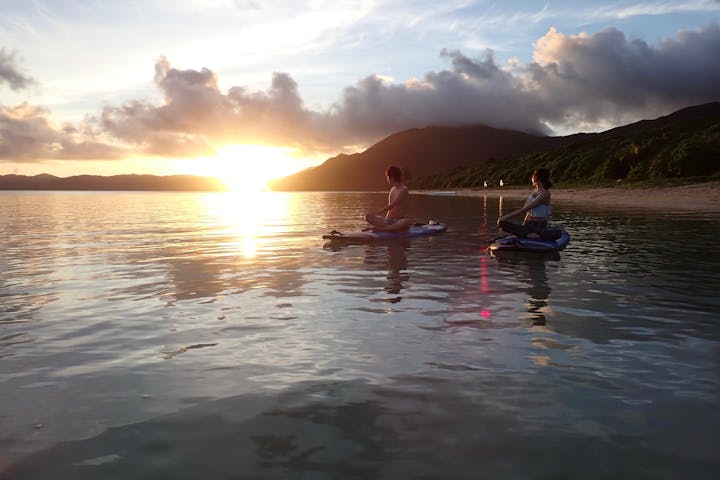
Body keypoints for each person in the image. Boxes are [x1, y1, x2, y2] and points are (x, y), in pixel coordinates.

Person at [497, 168, 553, 239]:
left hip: (539, 225)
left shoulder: (545, 193)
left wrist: (505, 217)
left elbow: (525, 209)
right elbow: (528, 213)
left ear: (537, 178)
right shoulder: (535, 191)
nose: (532, 178)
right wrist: (523, 227)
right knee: (501, 224)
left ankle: (535, 234)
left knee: (557, 233)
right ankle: (526, 234)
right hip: (528, 224)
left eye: (533, 175)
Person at [365, 166, 413, 231]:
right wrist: (383, 219)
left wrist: (375, 212)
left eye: (388, 177)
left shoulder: (404, 189)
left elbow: (391, 206)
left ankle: (384, 229)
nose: (387, 179)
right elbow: (389, 208)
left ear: (392, 178)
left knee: (407, 221)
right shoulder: (392, 189)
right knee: (368, 216)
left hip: (398, 221)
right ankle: (388, 227)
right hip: (387, 221)